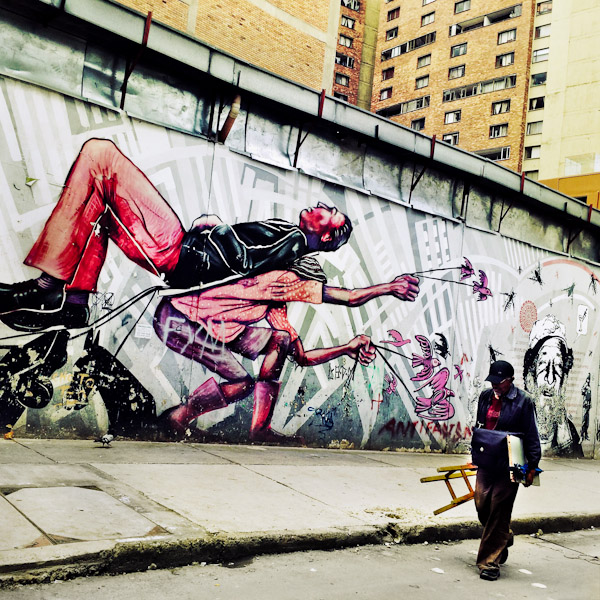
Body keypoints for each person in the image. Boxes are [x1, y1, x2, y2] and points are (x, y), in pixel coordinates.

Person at [0, 138, 352, 331]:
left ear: (324, 237)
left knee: (100, 155)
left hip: (179, 250)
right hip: (181, 251)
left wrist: (214, 226)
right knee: (100, 209)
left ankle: (47, 292)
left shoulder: (291, 241)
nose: (321, 205)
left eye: (329, 214)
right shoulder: (291, 237)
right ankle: (72, 304)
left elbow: (245, 260)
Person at [153, 257, 420, 441]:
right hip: (180, 320)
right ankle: (176, 419)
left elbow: (300, 356)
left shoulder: (274, 301)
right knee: (241, 383)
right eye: (309, 287)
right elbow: (348, 297)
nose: (307, 293)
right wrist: (389, 287)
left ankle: (259, 428)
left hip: (215, 326)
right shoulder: (279, 279)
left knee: (278, 340)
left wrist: (346, 348)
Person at [473, 360, 541, 581]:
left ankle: (489, 563)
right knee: (482, 503)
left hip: (511, 462)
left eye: (499, 382)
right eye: (492, 381)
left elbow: (531, 435)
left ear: (510, 380)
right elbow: (481, 427)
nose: (495, 386)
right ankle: (505, 535)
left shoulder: (523, 401)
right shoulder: (485, 397)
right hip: (487, 460)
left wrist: (531, 467)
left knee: (499, 509)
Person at [523, 315, 582, 455]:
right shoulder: (520, 423)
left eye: (558, 368)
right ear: (530, 378)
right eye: (543, 367)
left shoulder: (570, 433)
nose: (550, 379)